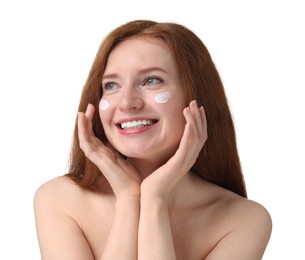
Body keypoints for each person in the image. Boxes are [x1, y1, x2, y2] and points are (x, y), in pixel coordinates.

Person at [34, 20, 272, 260]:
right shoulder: (59, 199)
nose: (127, 102)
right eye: (112, 85)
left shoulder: (244, 220)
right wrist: (129, 199)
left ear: (198, 98)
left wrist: (155, 197)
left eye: (151, 81)